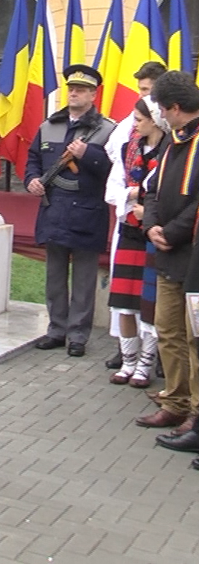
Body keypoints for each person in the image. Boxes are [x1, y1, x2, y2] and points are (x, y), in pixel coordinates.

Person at [25, 64, 115, 357]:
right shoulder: (49, 125)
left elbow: (114, 171)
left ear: (93, 94)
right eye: (71, 89)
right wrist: (32, 180)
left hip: (87, 211)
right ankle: (56, 329)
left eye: (80, 90)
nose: (73, 93)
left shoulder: (107, 130)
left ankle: (78, 335)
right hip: (54, 209)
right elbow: (34, 159)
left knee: (84, 278)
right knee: (54, 276)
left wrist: (87, 154)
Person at [140, 70, 199, 432]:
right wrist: (150, 225)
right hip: (166, 253)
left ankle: (195, 411)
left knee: (195, 337)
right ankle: (174, 402)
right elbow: (151, 189)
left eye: (161, 108)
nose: (159, 115)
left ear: (175, 108)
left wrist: (173, 232)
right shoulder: (172, 141)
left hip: (192, 254)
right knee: (168, 331)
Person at [101, 61, 167, 370]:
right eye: (141, 90)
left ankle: (153, 359)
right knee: (124, 298)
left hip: (157, 229)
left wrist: (140, 196)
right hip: (128, 226)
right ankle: (127, 354)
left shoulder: (171, 145)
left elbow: (164, 188)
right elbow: (113, 186)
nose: (144, 96)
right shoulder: (128, 137)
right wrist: (134, 194)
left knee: (153, 298)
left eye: (150, 91)